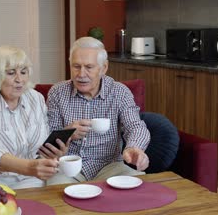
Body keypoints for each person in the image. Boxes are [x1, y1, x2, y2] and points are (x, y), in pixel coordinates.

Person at [0, 46, 69, 189]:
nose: (19, 79)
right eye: (11, 73)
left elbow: (40, 148)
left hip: (27, 179)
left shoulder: (36, 99)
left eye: (23, 72)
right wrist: (29, 167)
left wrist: (54, 153)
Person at [47, 37, 151, 185]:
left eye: (89, 67)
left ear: (104, 68)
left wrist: (134, 148)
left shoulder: (119, 92)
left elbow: (135, 126)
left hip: (110, 167)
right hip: (68, 168)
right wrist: (67, 133)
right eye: (76, 66)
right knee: (54, 190)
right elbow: (47, 137)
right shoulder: (57, 92)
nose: (81, 74)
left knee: (137, 182)